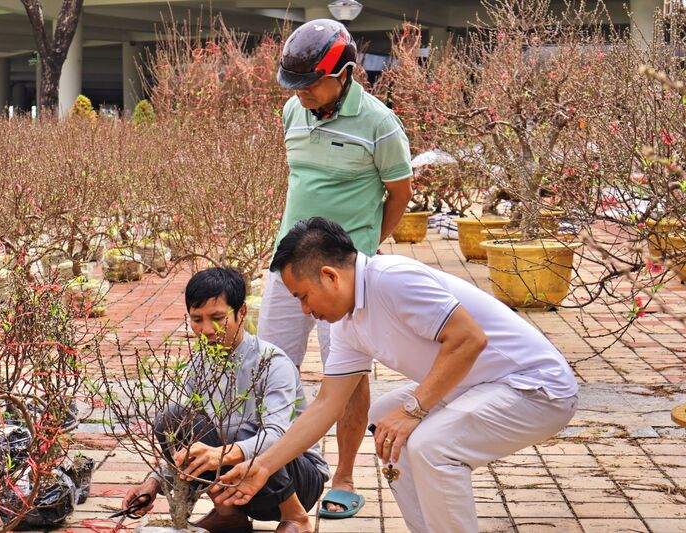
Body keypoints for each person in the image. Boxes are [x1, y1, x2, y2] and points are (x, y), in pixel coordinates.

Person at [217, 218, 579, 533]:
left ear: (329, 276)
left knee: (431, 443)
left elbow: (469, 340)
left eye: (304, 296)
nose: (305, 309)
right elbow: (328, 404)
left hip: (536, 387)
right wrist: (263, 465)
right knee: (385, 422)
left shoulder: (392, 279)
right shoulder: (347, 322)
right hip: (478, 386)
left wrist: (414, 409)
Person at [257, 18, 413, 518]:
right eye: (293, 85)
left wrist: (363, 249)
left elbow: (400, 194)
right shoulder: (291, 112)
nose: (300, 94)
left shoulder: (380, 123)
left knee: (345, 374)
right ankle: (276, 466)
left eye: (309, 84)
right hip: (288, 266)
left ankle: (344, 475)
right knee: (268, 365)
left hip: (342, 278)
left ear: (345, 72)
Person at [123, 268, 329, 533]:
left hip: (299, 478)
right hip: (237, 483)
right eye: (197, 319)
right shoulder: (200, 363)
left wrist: (221, 452)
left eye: (217, 318)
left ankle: (296, 517)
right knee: (172, 420)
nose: (206, 330)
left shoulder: (271, 362)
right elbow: (190, 442)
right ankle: (229, 514)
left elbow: (278, 435)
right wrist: (152, 482)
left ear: (241, 312)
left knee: (239, 431)